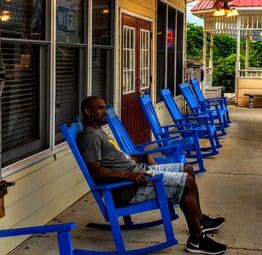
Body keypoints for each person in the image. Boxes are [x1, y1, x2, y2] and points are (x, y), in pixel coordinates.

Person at [78, 96, 227, 255]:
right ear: (88, 112)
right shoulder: (90, 136)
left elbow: (121, 157)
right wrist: (128, 176)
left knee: (188, 169)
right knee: (187, 182)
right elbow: (96, 172)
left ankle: (200, 220)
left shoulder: (99, 131)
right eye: (100, 108)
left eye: (105, 108)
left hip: (140, 172)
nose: (105, 112)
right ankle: (197, 239)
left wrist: (142, 157)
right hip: (131, 188)